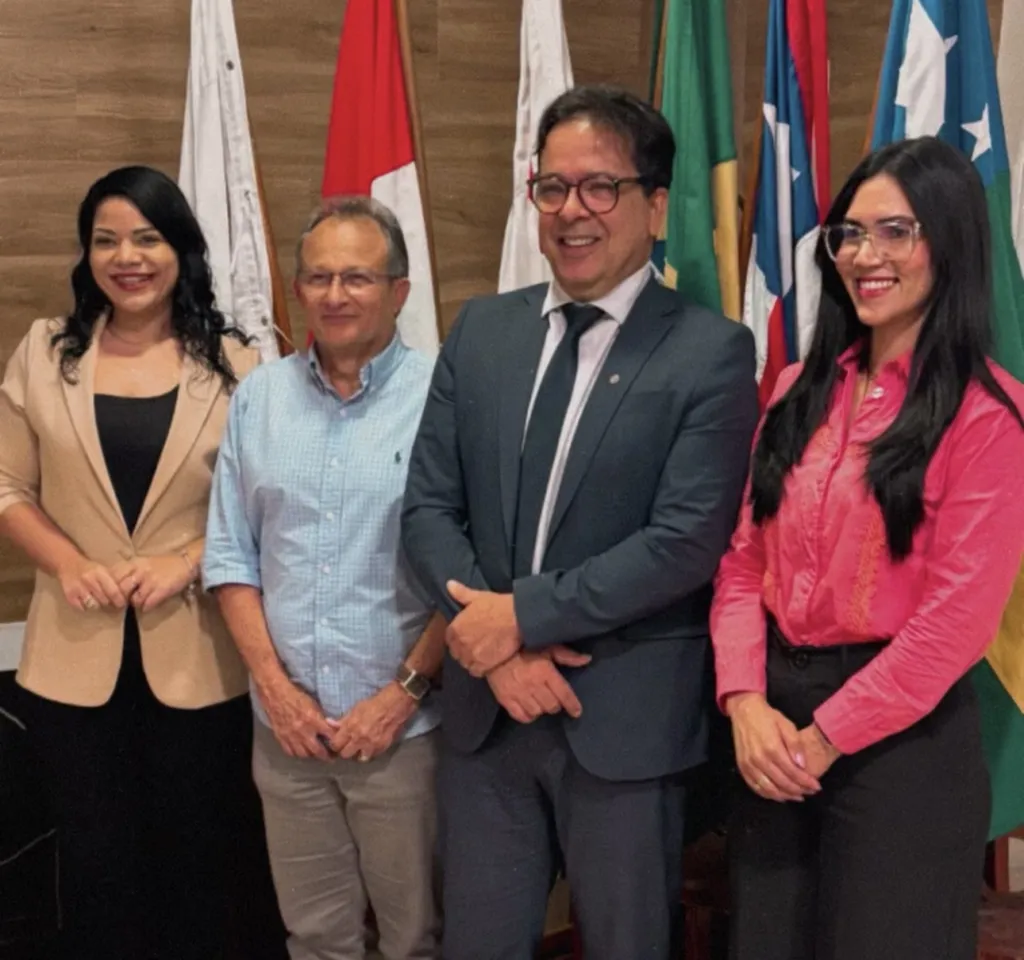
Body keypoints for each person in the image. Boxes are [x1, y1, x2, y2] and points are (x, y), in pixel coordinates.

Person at [401, 84, 759, 960]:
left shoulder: (710, 351)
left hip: (624, 725)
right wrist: (497, 648)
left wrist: (520, 619)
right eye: (552, 187)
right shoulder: (482, 330)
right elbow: (428, 508)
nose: (571, 210)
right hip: (488, 717)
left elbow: (684, 541)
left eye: (600, 186)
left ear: (655, 205)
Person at [712, 136, 1024, 960]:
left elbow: (954, 625)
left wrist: (823, 738)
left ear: (949, 243)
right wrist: (745, 703)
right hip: (773, 728)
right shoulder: (795, 390)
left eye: (895, 232)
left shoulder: (989, 417)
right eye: (849, 233)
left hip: (903, 748)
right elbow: (743, 564)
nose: (863, 255)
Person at [0, 165, 283, 960]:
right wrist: (66, 562)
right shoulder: (44, 352)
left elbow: (264, 507)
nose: (126, 257)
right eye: (106, 240)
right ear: (87, 254)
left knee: (203, 863)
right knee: (99, 866)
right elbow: (6, 484)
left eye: (147, 238)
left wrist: (188, 560)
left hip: (201, 661)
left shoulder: (238, 365)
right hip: (72, 666)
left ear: (180, 249)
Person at [204, 196, 445, 960]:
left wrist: (403, 693)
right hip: (287, 736)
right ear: (298, 289)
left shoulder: (445, 398)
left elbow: (471, 570)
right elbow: (230, 556)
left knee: (415, 941)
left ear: (399, 291)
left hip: (402, 734)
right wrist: (276, 692)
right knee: (313, 938)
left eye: (357, 277)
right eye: (318, 277)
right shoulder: (259, 397)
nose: (335, 294)